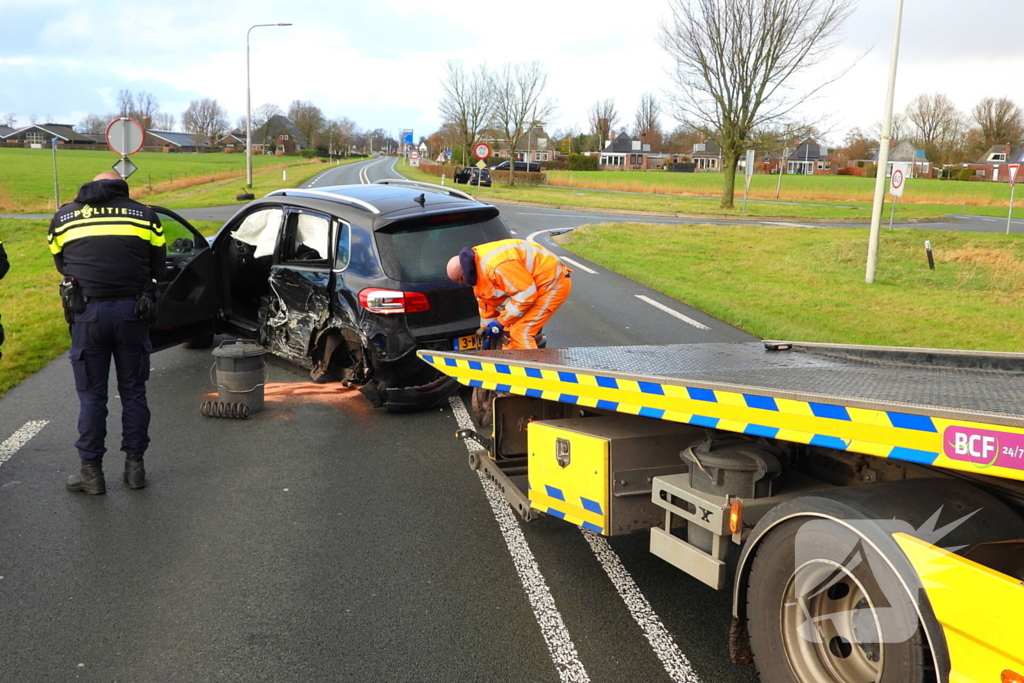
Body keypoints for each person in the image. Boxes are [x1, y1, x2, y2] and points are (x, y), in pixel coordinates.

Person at [48, 171, 165, 495]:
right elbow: (158, 267)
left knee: (92, 398)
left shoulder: (64, 217)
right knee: (134, 393)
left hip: (88, 316)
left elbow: (61, 263)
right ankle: (135, 470)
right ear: (119, 186)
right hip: (132, 313)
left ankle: (91, 475)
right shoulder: (145, 214)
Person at [446, 238, 571, 350]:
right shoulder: (477, 271)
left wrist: (500, 322)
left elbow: (526, 296)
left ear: (464, 275)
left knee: (521, 332)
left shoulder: (495, 266)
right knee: (508, 335)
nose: (464, 285)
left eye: (461, 282)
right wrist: (487, 331)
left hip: (552, 282)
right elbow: (487, 308)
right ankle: (514, 368)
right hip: (533, 287)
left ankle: (535, 372)